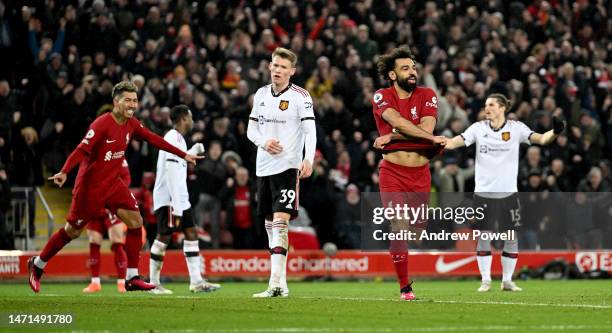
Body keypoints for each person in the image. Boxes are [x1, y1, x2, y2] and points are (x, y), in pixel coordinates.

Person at [28, 81, 202, 293]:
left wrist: (183, 154)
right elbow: (81, 150)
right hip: (90, 188)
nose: (132, 105)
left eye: (135, 100)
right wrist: (65, 171)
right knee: (72, 232)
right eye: (127, 100)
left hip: (113, 185)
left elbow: (153, 139)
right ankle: (38, 265)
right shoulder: (101, 125)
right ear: (116, 102)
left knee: (136, 221)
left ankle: (131, 277)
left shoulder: (132, 124)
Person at [441, 93, 565, 292]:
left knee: (510, 237)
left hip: (509, 196)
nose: (486, 108)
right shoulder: (478, 128)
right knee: (484, 237)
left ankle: (507, 281)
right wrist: (437, 140)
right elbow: (455, 142)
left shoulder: (516, 129)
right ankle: (486, 280)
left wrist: (556, 132)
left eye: (490, 105)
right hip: (483, 195)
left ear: (501, 108)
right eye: (485, 105)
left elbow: (542, 139)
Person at [370, 46, 446, 301]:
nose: (412, 72)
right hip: (392, 172)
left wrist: (391, 136)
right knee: (399, 226)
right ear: (392, 75)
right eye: (405, 68)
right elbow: (401, 122)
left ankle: (404, 275)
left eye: (413, 67)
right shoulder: (382, 96)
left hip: (420, 174)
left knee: (416, 233)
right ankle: (405, 287)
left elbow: (426, 127)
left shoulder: (427, 94)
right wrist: (408, 133)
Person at [247, 47, 316, 298]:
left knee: (280, 223)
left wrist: (308, 158)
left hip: (287, 166)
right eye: (275, 65)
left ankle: (275, 284)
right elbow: (250, 131)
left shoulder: (301, 96)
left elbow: (310, 131)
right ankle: (281, 283)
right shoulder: (261, 94)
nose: (277, 70)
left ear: (292, 72)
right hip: (263, 167)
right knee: (269, 225)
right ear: (269, 66)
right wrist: (263, 142)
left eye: (283, 67)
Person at [149, 105, 220, 294]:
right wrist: (177, 206)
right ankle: (153, 283)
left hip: (181, 197)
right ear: (183, 119)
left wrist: (192, 150)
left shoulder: (178, 139)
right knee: (164, 236)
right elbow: (171, 171)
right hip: (170, 198)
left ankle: (196, 281)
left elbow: (178, 161)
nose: (193, 121)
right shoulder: (172, 137)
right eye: (190, 117)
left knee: (191, 233)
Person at [82, 159, 131, 294]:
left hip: (112, 205)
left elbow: (126, 178)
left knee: (117, 242)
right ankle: (95, 282)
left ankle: (122, 282)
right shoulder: (91, 157)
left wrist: (115, 196)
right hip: (95, 205)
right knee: (94, 242)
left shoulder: (118, 156)